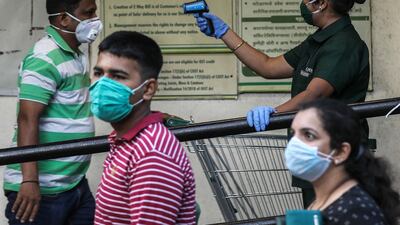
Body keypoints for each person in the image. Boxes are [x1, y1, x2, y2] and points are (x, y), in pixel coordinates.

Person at [194, 0, 369, 207]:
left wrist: (274, 113)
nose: (302, 3)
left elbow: (314, 94)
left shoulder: (344, 44)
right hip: (315, 153)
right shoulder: (319, 40)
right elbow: (268, 67)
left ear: (321, 3)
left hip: (334, 157)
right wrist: (224, 33)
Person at [3, 0, 102, 224]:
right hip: (43, 190)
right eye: (88, 13)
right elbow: (28, 119)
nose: (95, 19)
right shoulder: (44, 57)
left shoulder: (76, 54)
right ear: (64, 19)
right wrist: (29, 181)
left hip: (74, 182)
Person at [91, 31, 196, 225]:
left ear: (148, 89)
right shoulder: (126, 140)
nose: (102, 85)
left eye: (118, 76)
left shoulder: (152, 155)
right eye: (98, 73)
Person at [285, 98, 400, 225]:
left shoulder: (356, 211)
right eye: (293, 133)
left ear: (341, 152)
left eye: (309, 135)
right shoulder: (322, 201)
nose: (294, 143)